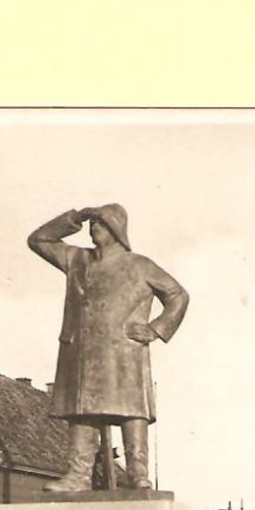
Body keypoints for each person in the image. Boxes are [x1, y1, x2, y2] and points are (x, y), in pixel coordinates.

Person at [27, 204, 189, 492]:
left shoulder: (139, 265)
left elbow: (177, 295)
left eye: (100, 224)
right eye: (92, 225)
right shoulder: (77, 259)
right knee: (82, 412)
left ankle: (138, 475)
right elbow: (38, 240)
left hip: (123, 352)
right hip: (82, 352)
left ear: (116, 229)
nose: (94, 229)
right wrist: (74, 217)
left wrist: (155, 328)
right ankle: (78, 475)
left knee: (130, 411)